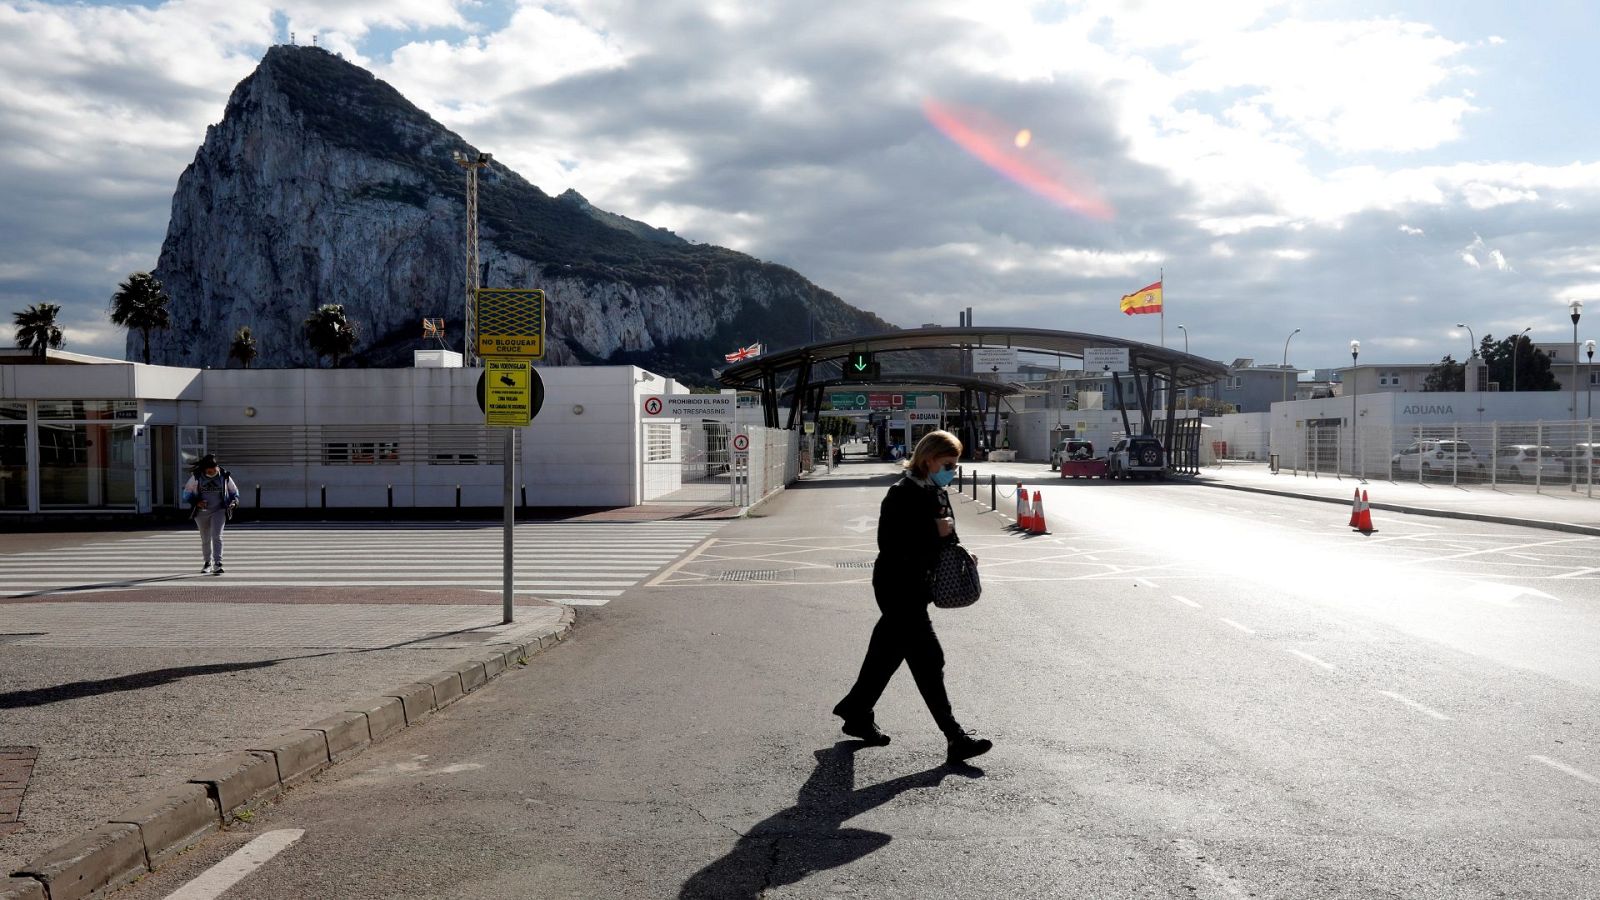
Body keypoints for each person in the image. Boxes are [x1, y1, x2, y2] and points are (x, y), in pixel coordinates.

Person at [832, 429, 992, 763]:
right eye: (948, 463)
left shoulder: (936, 491)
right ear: (928, 459)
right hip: (897, 586)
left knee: (885, 655)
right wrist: (934, 535)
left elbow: (948, 535)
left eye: (956, 464)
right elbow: (891, 546)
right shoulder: (901, 494)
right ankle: (955, 737)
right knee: (929, 660)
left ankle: (857, 710)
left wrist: (962, 553)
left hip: (919, 588)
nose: (953, 470)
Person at [182, 454, 239, 575]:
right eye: (210, 470)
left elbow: (234, 492)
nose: (213, 471)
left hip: (219, 510)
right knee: (205, 538)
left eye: (215, 468)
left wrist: (234, 502)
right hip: (201, 513)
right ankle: (207, 562)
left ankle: (218, 563)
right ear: (204, 469)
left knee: (217, 536)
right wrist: (197, 502)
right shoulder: (196, 477)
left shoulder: (224, 476)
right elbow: (186, 494)